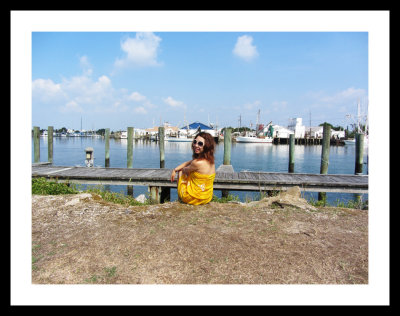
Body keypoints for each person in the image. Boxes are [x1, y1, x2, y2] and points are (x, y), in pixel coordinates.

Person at [170, 132, 216, 205]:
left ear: (206, 146)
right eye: (195, 142)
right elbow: (191, 162)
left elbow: (184, 170)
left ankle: (181, 199)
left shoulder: (196, 163)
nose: (196, 145)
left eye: (200, 144)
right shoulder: (211, 161)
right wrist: (174, 169)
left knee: (181, 172)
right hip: (207, 197)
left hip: (195, 199)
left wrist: (176, 170)